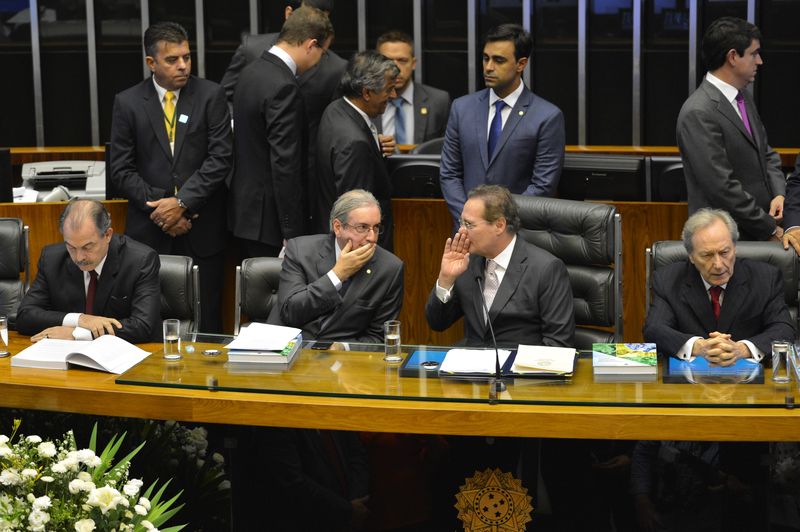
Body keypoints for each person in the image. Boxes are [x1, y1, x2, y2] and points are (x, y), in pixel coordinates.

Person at [109, 21, 232, 333]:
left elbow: (220, 159)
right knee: (149, 321)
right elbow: (121, 170)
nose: (183, 66)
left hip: (202, 229)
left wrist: (182, 203)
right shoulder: (128, 103)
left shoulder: (210, 96)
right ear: (151, 62)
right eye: (172, 59)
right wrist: (162, 209)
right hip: (151, 233)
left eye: (187, 57)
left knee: (207, 321)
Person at [228, 7, 333, 258]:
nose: (321, 60)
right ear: (311, 45)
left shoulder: (250, 72)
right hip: (270, 223)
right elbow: (285, 163)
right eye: (323, 52)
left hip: (244, 214)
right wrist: (292, 231)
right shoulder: (283, 87)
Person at [220, 0, 346, 204]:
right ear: (289, 13)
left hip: (305, 176)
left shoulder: (336, 67)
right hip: (251, 173)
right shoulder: (252, 49)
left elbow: (337, 120)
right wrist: (240, 128)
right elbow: (224, 98)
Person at [439, 24, 565, 225]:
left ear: (521, 64)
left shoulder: (547, 116)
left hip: (516, 234)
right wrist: (469, 219)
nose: (488, 67)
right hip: (466, 234)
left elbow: (543, 185)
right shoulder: (462, 108)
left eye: (499, 60)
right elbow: (449, 174)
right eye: (485, 58)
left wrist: (499, 223)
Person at [676, 16, 785, 242]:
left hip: (757, 233)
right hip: (725, 241)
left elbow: (766, 153)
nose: (760, 61)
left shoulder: (742, 97)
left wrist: (779, 193)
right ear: (733, 57)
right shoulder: (699, 112)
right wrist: (769, 228)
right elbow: (722, 188)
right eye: (754, 54)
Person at [425, 184, 574, 348]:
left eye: (469, 224)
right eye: (461, 222)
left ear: (499, 225)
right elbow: (437, 323)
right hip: (470, 369)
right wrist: (446, 279)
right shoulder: (467, 262)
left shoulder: (546, 269)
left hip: (519, 370)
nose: (461, 231)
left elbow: (559, 345)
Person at [643, 208, 794, 365]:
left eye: (724, 252)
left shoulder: (765, 278)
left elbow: (783, 330)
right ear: (691, 256)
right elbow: (654, 330)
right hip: (689, 383)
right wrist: (698, 347)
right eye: (707, 255)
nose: (718, 265)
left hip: (752, 381)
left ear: (734, 248)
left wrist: (742, 349)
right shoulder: (668, 279)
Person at [16, 199, 160, 344]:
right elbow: (25, 316)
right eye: (71, 247)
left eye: (87, 247)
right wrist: (79, 319)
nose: (79, 258)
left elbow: (143, 326)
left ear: (108, 235)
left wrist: (77, 333)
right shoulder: (52, 259)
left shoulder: (140, 261)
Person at [272, 189, 404, 343]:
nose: (372, 237)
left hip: (344, 361)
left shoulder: (389, 269)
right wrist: (337, 275)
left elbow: (379, 337)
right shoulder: (300, 250)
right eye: (362, 227)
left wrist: (344, 348)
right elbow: (290, 311)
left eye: (376, 228)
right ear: (338, 227)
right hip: (290, 349)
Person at [315, 52, 400, 249]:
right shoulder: (355, 143)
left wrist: (373, 144)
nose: (394, 95)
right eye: (389, 89)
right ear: (367, 92)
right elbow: (356, 218)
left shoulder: (336, 109)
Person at [371, 30, 450, 145]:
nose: (395, 69)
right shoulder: (367, 100)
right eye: (387, 61)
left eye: (402, 61)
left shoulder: (438, 101)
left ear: (413, 64)